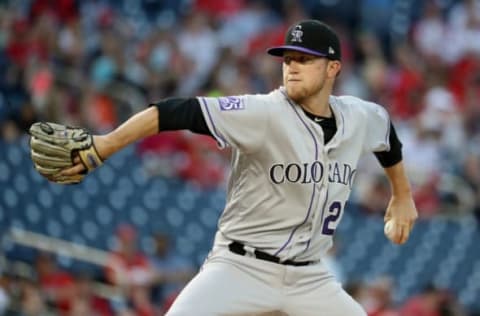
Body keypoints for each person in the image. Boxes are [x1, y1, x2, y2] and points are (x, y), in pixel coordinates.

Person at [58, 19, 418, 315]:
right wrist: (106, 143)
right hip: (242, 267)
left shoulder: (359, 116)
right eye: (287, 58)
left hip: (311, 278)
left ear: (333, 68)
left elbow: (386, 134)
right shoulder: (262, 112)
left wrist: (402, 194)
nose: (291, 66)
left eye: (304, 59)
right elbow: (175, 111)